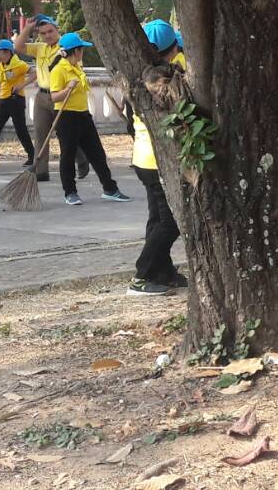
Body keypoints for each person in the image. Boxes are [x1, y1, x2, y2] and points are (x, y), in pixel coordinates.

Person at [127, 20, 187, 296]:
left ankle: (163, 272)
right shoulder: (166, 81)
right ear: (172, 48)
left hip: (142, 157)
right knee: (171, 222)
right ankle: (143, 274)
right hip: (157, 159)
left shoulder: (139, 75)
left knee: (156, 218)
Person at [48, 32, 132, 206]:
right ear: (76, 51)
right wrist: (67, 89)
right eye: (81, 49)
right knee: (68, 156)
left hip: (83, 115)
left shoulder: (77, 67)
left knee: (97, 154)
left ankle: (110, 188)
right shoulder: (58, 70)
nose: (82, 53)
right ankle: (70, 192)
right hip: (66, 117)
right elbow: (54, 97)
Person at [14, 14, 87, 182]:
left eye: (50, 31)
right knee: (40, 133)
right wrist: (27, 28)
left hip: (60, 95)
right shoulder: (40, 48)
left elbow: (77, 70)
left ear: (57, 30)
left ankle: (81, 158)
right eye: (43, 33)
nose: (47, 35)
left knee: (64, 133)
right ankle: (41, 171)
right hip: (42, 95)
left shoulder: (66, 47)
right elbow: (18, 47)